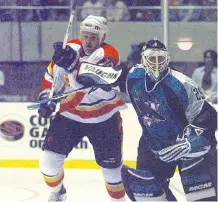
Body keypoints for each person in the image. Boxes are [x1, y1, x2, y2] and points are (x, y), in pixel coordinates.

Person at [38, 15, 127, 202]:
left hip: (104, 120)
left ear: (102, 38)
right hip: (70, 117)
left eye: (94, 37)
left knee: (113, 173)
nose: (89, 41)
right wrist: (48, 99)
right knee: (48, 164)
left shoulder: (109, 54)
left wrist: (71, 65)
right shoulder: (69, 49)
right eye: (85, 36)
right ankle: (58, 193)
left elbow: (86, 82)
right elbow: (50, 79)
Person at [120, 39, 217, 201]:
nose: (157, 63)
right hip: (153, 145)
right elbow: (105, 77)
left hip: (186, 147)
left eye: (161, 58)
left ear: (167, 58)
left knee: (203, 196)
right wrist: (71, 63)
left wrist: (192, 142)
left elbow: (209, 116)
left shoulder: (181, 83)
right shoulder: (133, 77)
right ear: (143, 59)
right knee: (148, 195)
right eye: (152, 58)